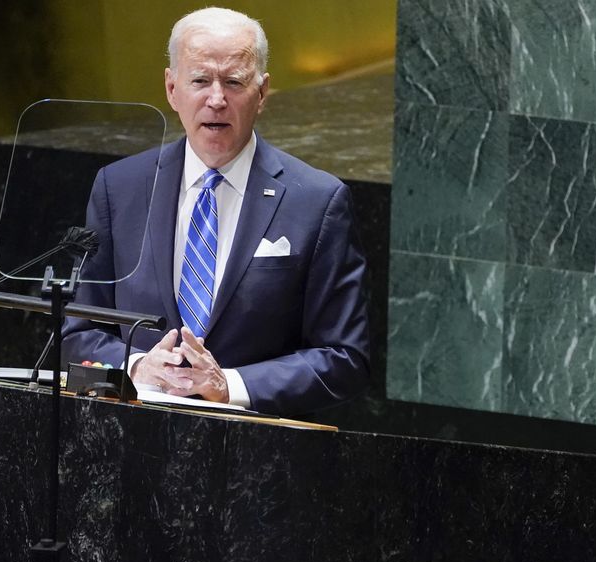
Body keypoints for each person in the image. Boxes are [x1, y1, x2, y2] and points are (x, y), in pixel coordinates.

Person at [61, 7, 370, 417]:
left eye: (234, 82)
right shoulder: (120, 187)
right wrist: (138, 367)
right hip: (130, 444)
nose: (217, 99)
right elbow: (79, 330)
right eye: (200, 80)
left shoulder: (316, 200)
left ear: (262, 93)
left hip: (255, 454)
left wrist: (230, 386)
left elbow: (345, 357)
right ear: (172, 88)